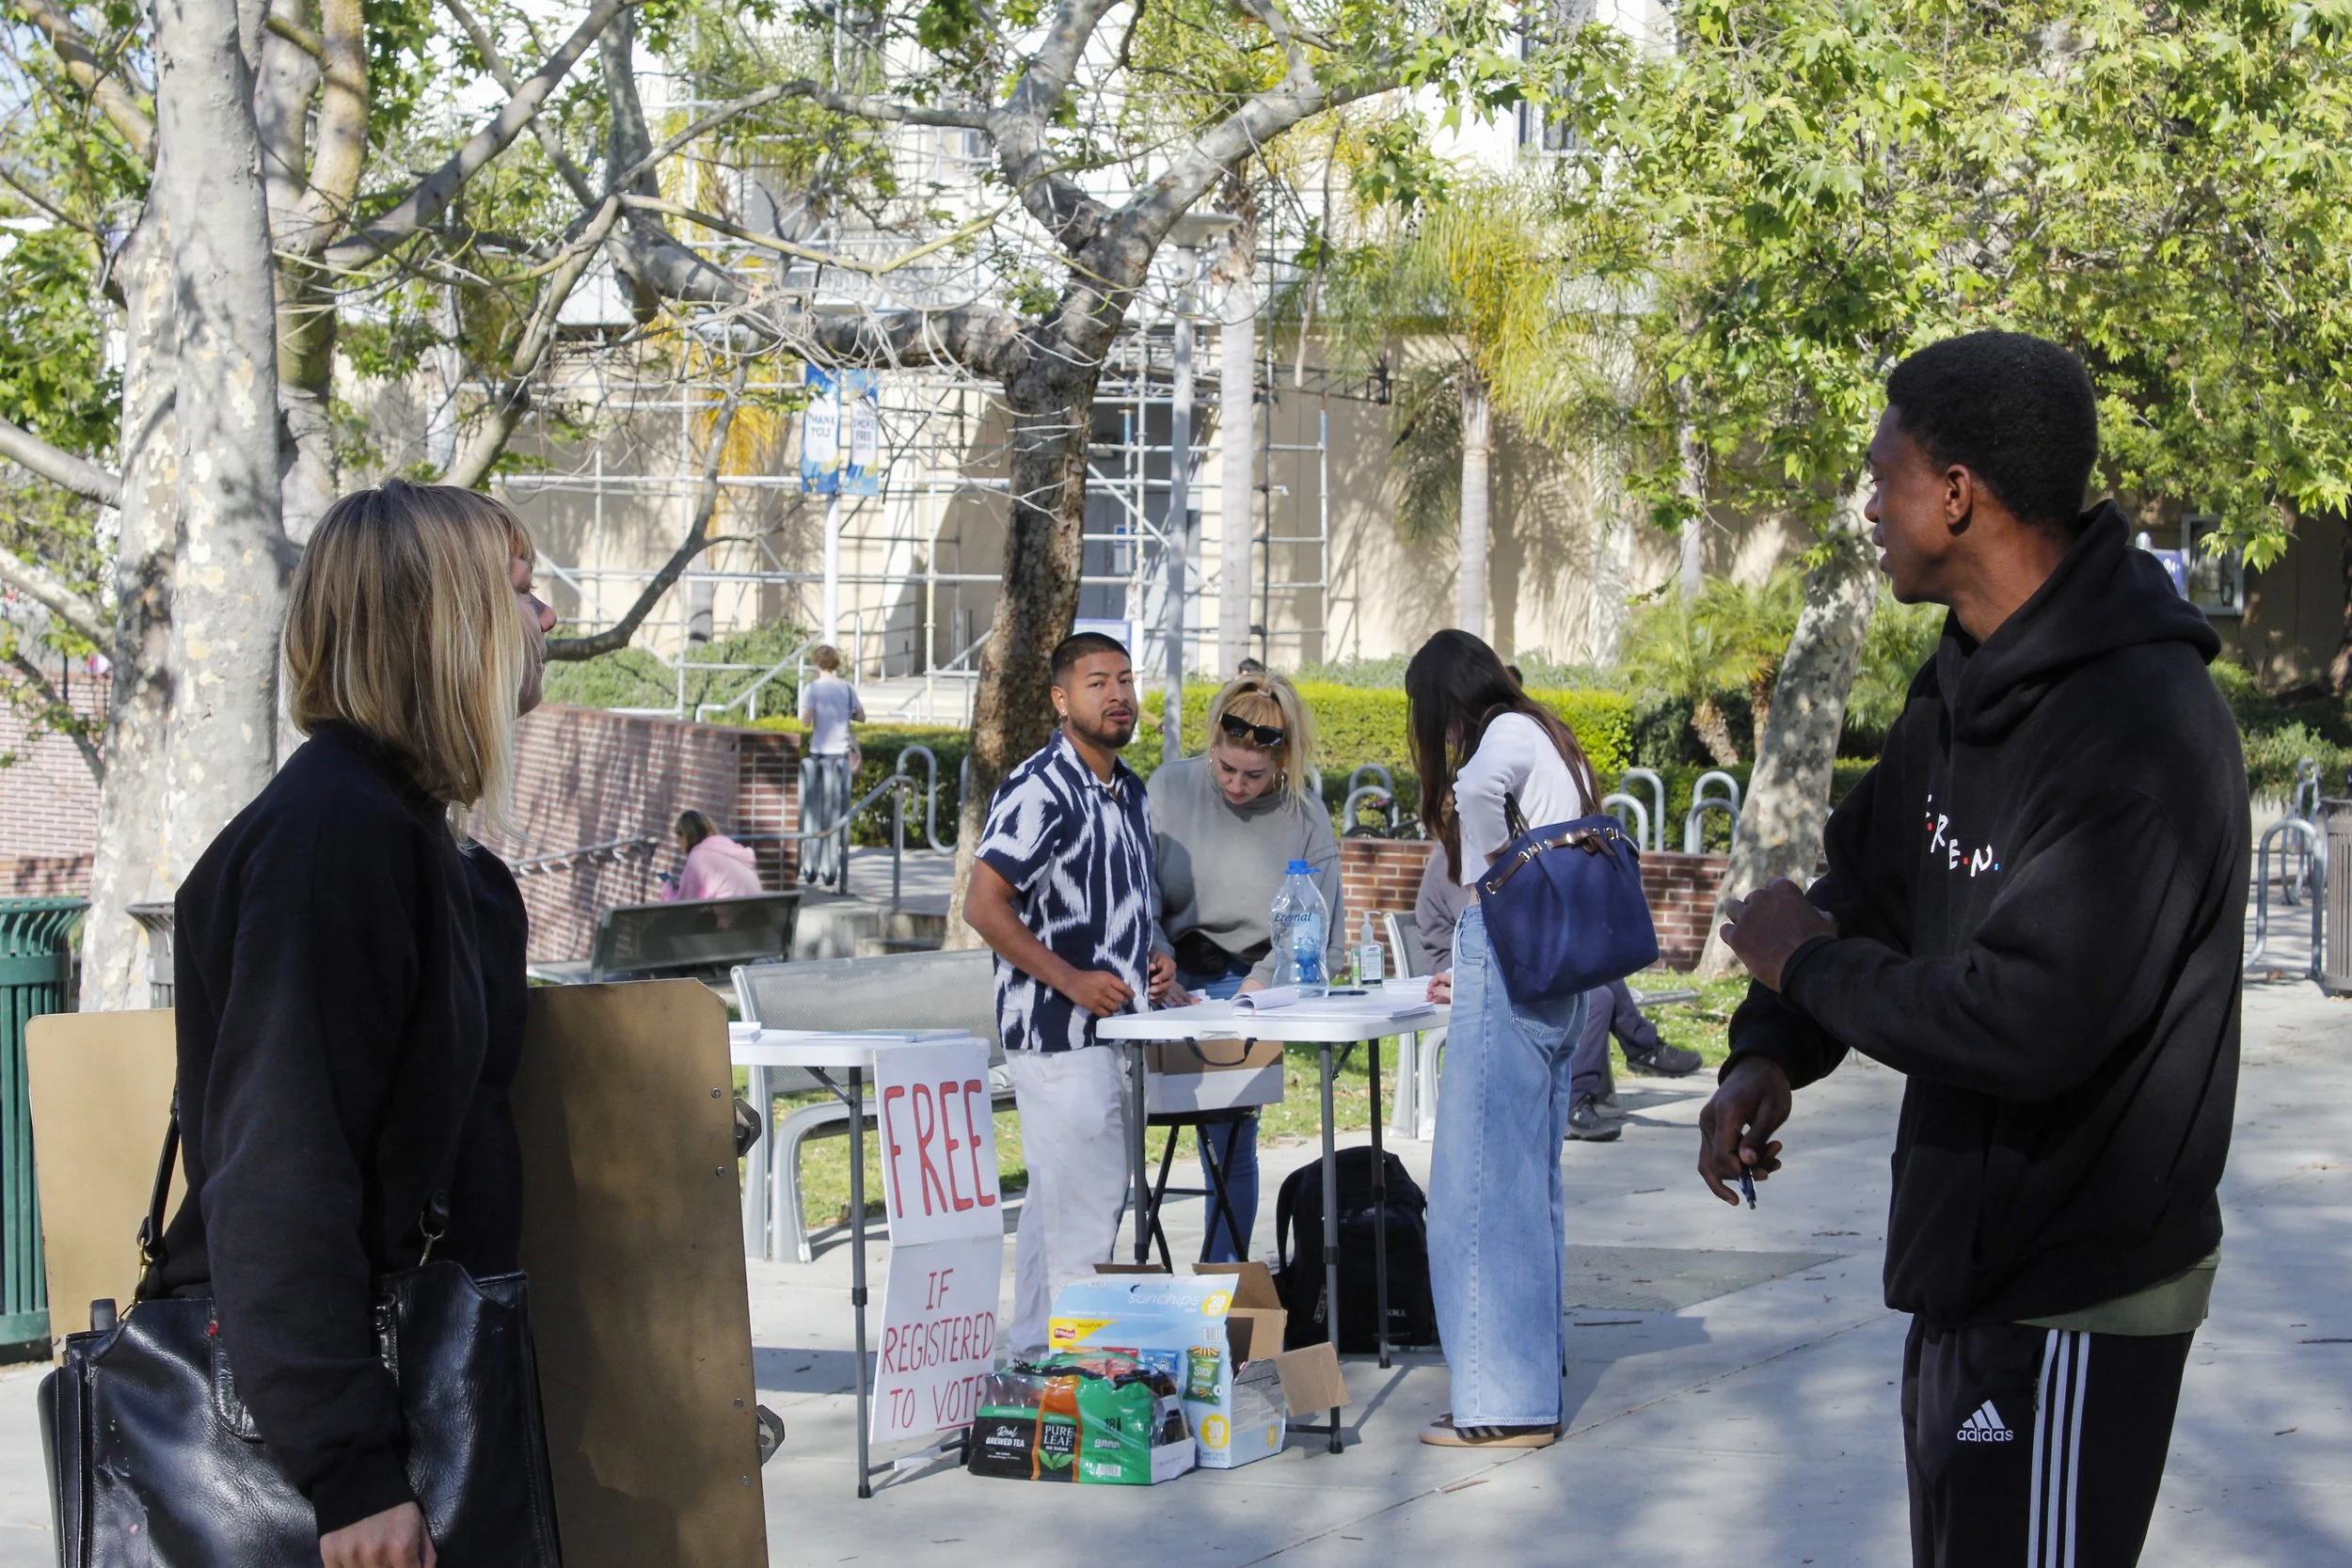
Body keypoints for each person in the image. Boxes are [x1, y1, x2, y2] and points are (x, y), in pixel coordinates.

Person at [1698, 332, 2246, 1567]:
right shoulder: (1959, 682)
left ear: (1958, 492)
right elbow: (1874, 891)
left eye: (1880, 475)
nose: (1868, 506)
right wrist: (1770, 1048)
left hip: (2079, 1289)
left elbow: (2028, 1017)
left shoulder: (2144, 721)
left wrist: (1805, 967)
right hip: (1968, 1266)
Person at [151, 481, 556, 1568]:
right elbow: (279, 1171)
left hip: (429, 1394)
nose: (546, 614)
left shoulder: (418, 840)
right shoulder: (336, 837)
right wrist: (352, 1472)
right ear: (443, 620)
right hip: (354, 1452)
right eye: (519, 589)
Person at [1406, 628, 1601, 1449]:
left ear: (1445, 702)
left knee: (1474, 1193)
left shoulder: (1502, 739)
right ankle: (1522, 1381)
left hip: (1510, 950)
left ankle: (1500, 1403)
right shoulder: (1550, 731)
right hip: (1552, 966)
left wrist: (1488, 884)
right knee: (1525, 1186)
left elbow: (1482, 800)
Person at [963, 633, 1178, 1348]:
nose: (1118, 695)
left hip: (1118, 1035)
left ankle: (1028, 1364)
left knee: (1057, 1216)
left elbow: (1126, 908)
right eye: (1096, 683)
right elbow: (985, 905)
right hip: (1057, 1036)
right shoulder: (1039, 788)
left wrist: (1155, 958)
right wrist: (1075, 982)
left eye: (1125, 679)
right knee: (1085, 1222)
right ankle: (1079, 1391)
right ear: (1061, 699)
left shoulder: (1131, 791)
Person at [1148, 669, 1343, 1261]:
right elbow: (1135, 892)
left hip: (1256, 981)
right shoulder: (1168, 789)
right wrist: (1156, 951)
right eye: (1225, 768)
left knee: (1231, 1138)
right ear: (1212, 745)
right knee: (1127, 1131)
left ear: (1283, 763)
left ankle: (1224, 1282)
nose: (1236, 785)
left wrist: (1263, 984)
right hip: (1169, 976)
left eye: (1255, 775)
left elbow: (1319, 935)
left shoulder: (1306, 816)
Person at [1415, 837, 1699, 1146]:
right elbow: (1486, 925)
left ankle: (1638, 1049)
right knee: (1596, 996)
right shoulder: (1453, 860)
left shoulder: (1467, 853)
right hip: (1458, 971)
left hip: (1493, 961)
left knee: (1592, 964)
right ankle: (1578, 1102)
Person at [798, 643, 864, 888]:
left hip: (819, 753)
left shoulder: (813, 689)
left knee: (815, 809)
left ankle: (814, 861)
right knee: (838, 808)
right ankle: (833, 861)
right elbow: (861, 716)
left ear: (816, 663)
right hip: (842, 755)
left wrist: (811, 716)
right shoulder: (845, 688)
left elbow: (805, 721)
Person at [661, 807, 764, 901]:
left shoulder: (698, 859)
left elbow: (682, 906)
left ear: (684, 836)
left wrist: (667, 891)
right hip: (754, 915)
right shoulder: (729, 847)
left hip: (727, 918)